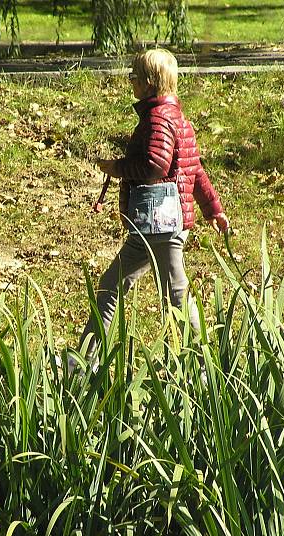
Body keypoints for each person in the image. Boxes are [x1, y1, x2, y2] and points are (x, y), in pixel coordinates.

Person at [72, 48, 229, 370]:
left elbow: (154, 166)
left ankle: (204, 369)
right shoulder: (178, 118)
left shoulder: (157, 119)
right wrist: (213, 209)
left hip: (159, 221)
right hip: (160, 224)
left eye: (132, 77)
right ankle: (83, 363)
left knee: (175, 294)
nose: (130, 83)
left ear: (148, 83)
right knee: (114, 285)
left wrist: (116, 167)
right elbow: (194, 170)